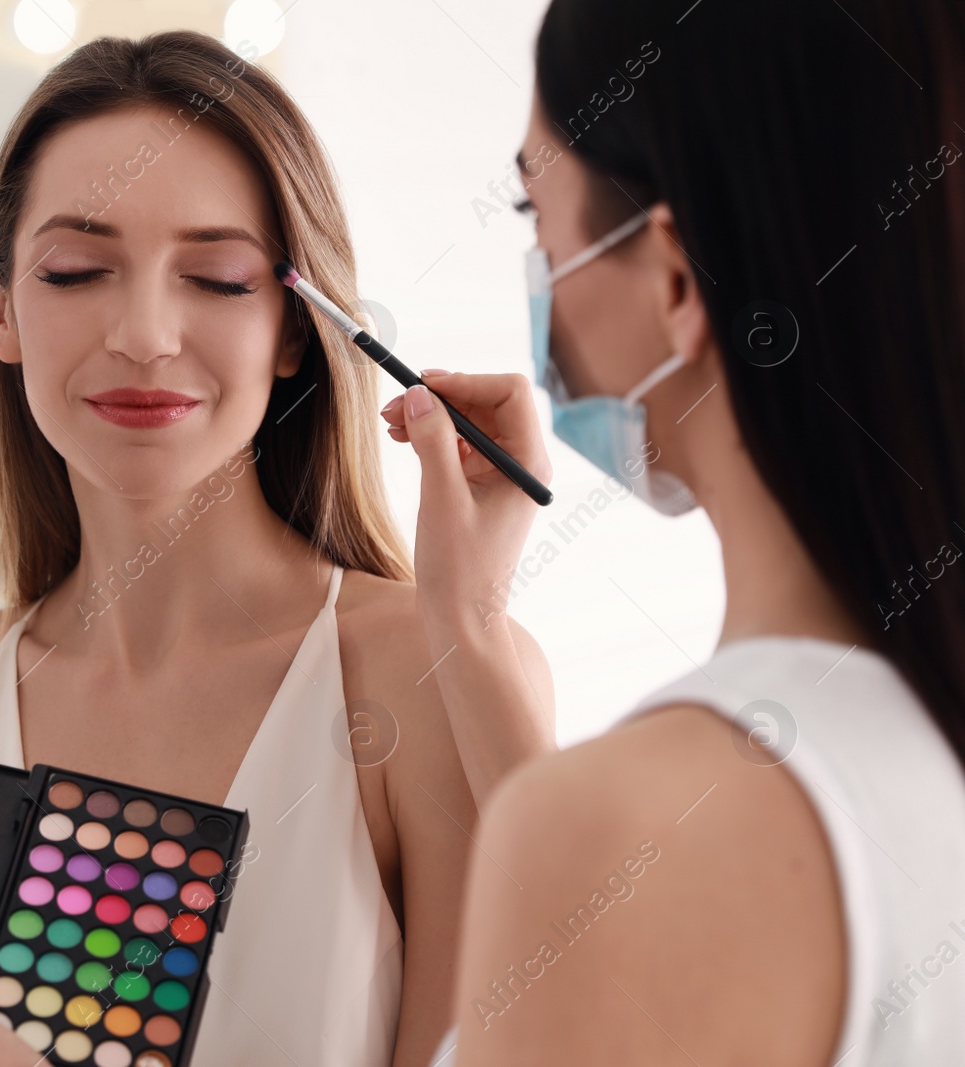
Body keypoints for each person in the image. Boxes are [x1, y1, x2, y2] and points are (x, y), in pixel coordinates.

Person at [0, 30, 552, 1067]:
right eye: (77, 268)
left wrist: (472, 620)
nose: (145, 332)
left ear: (293, 325)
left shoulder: (422, 674)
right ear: (0, 306)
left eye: (221, 279)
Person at [383, 0, 965, 1062]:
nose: (539, 274)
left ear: (674, 276)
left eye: (532, 211)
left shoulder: (632, 828)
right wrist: (464, 618)